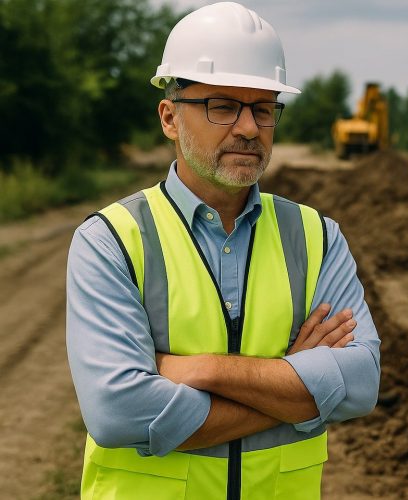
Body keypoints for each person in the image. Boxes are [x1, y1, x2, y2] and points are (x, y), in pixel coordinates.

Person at [66, 3, 380, 498]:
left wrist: (202, 370)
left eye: (262, 108)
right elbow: (117, 412)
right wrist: (296, 390)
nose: (249, 128)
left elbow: (361, 384)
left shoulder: (317, 236)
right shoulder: (112, 240)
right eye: (223, 105)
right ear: (170, 117)